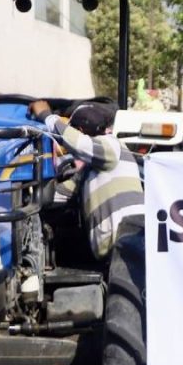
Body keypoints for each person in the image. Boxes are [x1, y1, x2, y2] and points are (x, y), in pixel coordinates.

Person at [29, 100, 144, 264]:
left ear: (80, 131)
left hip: (130, 242)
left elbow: (79, 143)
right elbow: (56, 196)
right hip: (114, 253)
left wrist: (46, 116)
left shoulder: (112, 146)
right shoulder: (90, 171)